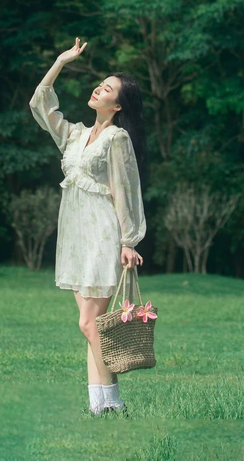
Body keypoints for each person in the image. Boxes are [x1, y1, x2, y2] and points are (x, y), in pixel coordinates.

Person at [29, 37, 147, 417]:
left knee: (88, 323)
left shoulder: (117, 138)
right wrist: (60, 62)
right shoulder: (75, 135)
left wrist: (128, 240)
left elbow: (125, 189)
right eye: (101, 84)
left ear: (118, 105)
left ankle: (114, 400)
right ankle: (100, 406)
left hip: (102, 235)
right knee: (92, 324)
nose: (99, 89)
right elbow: (39, 104)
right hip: (75, 237)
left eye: (108, 89)